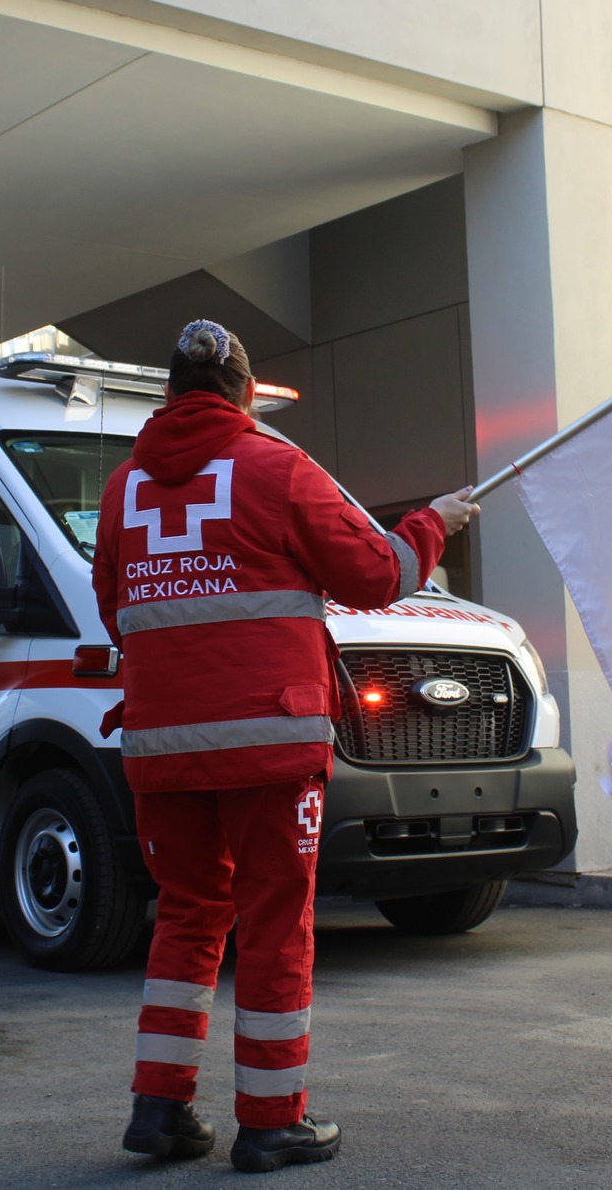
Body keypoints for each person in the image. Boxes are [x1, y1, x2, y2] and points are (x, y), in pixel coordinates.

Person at [95, 318, 478, 1173]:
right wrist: (433, 522)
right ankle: (271, 1121)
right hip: (268, 744)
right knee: (273, 923)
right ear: (243, 392)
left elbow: (115, 610)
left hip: (163, 749)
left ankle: (158, 1110)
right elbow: (376, 575)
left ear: (169, 395)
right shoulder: (275, 467)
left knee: (187, 920)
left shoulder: (122, 490)